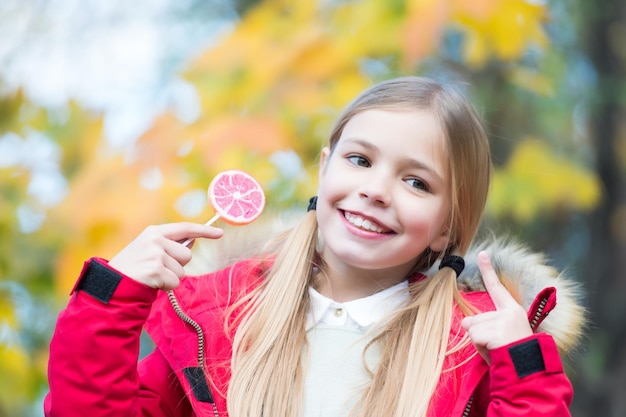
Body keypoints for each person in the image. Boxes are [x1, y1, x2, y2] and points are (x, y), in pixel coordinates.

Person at [45, 76, 584, 417]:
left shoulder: (475, 350)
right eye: (360, 160)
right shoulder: (219, 319)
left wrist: (523, 368)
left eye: (417, 182)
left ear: (448, 226)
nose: (375, 189)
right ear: (325, 167)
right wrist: (108, 298)